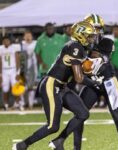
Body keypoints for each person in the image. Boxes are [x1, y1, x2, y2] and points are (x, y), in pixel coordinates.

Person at [13, 21, 101, 150]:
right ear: (81, 35)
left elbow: (77, 75)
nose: (91, 38)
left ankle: (59, 141)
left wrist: (93, 76)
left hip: (61, 87)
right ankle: (22, 145)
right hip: (51, 84)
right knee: (52, 126)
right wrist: (95, 82)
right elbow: (79, 78)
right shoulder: (75, 47)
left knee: (83, 113)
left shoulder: (80, 47)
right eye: (89, 35)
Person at [70, 14, 118, 150]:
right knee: (79, 115)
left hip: (108, 81)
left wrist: (86, 59)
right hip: (92, 83)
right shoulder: (79, 45)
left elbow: (96, 63)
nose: (96, 31)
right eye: (94, 27)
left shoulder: (107, 42)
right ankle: (76, 148)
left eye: (98, 28)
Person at [0, 36, 21, 110]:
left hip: (13, 70)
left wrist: (18, 72)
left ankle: (17, 104)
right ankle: (6, 105)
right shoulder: (1, 49)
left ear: (10, 41)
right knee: (5, 89)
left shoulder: (13, 48)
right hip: (4, 70)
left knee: (15, 87)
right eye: (4, 41)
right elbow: (0, 62)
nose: (6, 42)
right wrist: (0, 74)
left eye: (7, 41)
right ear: (2, 42)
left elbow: (18, 60)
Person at [22, 31, 38, 109]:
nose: (28, 38)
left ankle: (31, 104)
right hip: (23, 68)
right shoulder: (21, 44)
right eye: (26, 36)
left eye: (29, 36)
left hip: (34, 67)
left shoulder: (36, 43)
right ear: (24, 37)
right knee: (23, 86)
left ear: (32, 37)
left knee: (32, 86)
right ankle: (23, 103)